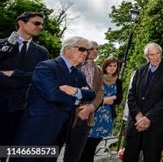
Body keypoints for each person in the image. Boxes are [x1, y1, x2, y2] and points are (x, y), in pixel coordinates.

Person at [15, 36, 96, 161]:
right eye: (82, 49)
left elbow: (91, 94)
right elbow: (53, 95)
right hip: (36, 130)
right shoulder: (46, 66)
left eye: (87, 50)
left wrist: (75, 91)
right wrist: (78, 97)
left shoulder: (78, 73)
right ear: (67, 49)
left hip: (59, 132)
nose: (86, 53)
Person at [0, 11, 49, 147]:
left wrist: (15, 74)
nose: (40, 27)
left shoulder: (42, 52)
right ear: (21, 23)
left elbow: (40, 77)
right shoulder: (2, 44)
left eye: (42, 24)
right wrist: (25, 77)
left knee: (11, 148)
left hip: (23, 108)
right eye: (36, 23)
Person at [124, 43, 163, 162]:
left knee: (152, 157)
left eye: (158, 53)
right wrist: (138, 116)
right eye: (152, 55)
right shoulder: (140, 70)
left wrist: (148, 118)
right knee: (129, 156)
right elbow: (131, 95)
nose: (156, 57)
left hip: (156, 124)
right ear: (146, 56)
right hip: (136, 123)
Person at [65, 41, 104, 162]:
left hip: (87, 115)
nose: (95, 51)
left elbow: (100, 93)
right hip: (68, 112)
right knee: (54, 147)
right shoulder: (75, 65)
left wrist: (91, 108)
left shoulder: (98, 70)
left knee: (75, 151)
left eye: (97, 49)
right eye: (92, 48)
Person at [80, 56, 123, 162]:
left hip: (107, 116)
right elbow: (93, 95)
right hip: (95, 113)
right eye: (110, 65)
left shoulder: (118, 81)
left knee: (95, 142)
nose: (112, 68)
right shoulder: (98, 78)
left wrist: (112, 99)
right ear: (105, 66)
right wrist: (104, 100)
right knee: (88, 142)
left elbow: (119, 99)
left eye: (114, 66)